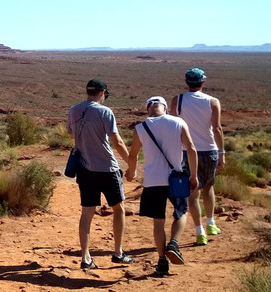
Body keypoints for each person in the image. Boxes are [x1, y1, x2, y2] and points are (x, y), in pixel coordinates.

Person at [126, 96, 199, 276]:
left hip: (152, 180)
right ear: (165, 108)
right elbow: (191, 148)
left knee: (158, 222)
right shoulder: (178, 122)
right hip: (176, 178)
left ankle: (161, 261)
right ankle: (174, 243)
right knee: (181, 212)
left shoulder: (140, 128)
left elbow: (133, 155)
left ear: (148, 108)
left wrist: (131, 172)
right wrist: (194, 175)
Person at [68, 78, 132, 270]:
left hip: (85, 169)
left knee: (87, 213)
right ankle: (118, 253)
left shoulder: (74, 110)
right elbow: (117, 141)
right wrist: (131, 163)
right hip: (107, 169)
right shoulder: (105, 111)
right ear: (103, 92)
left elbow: (71, 134)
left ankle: (85, 257)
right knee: (118, 209)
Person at [169, 68, 225, 245]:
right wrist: (222, 152)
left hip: (186, 151)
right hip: (209, 150)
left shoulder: (177, 100)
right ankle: (211, 223)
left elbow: (173, 127)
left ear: (187, 82)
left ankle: (199, 232)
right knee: (208, 187)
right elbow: (217, 128)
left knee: (193, 193)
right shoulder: (212, 101)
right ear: (203, 82)